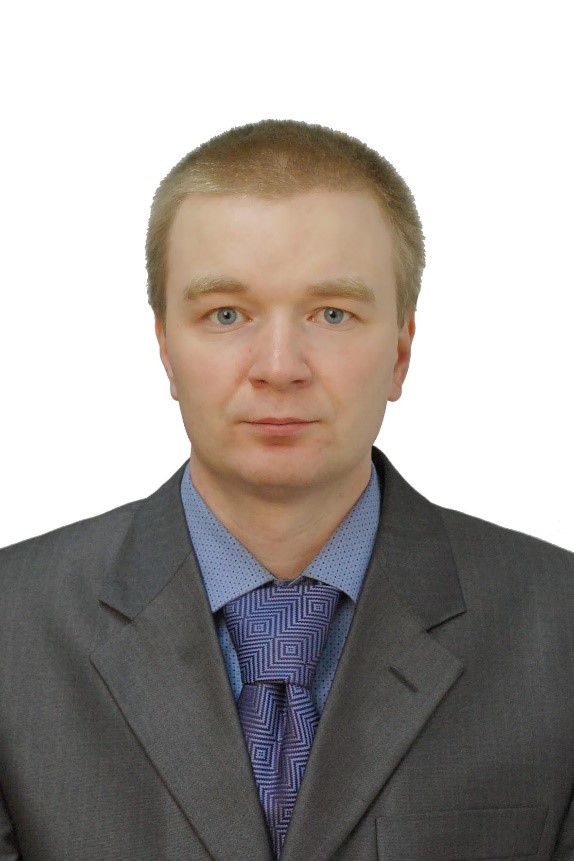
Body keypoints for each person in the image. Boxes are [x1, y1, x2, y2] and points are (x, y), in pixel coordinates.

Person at [0, 118, 573, 861]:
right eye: (226, 314)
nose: (279, 367)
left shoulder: (558, 627)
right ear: (165, 347)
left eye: (332, 314)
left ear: (401, 350)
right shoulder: (12, 627)